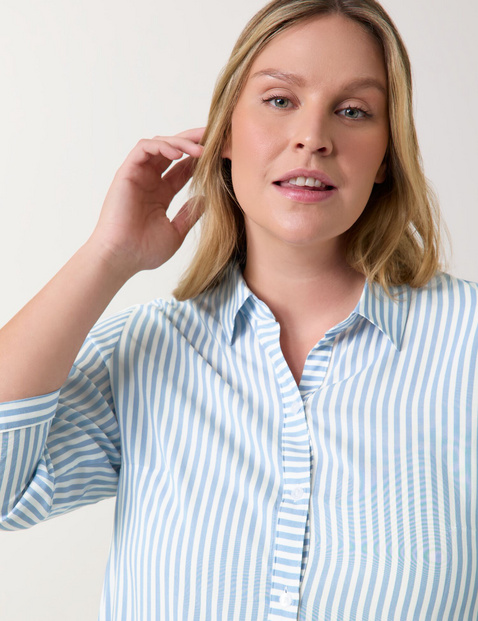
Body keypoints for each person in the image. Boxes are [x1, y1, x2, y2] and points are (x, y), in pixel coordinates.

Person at [0, 0, 476, 619]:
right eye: (280, 100)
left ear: (386, 155)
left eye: (354, 110)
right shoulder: (147, 352)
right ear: (224, 132)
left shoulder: (466, 342)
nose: (313, 136)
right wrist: (107, 256)